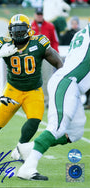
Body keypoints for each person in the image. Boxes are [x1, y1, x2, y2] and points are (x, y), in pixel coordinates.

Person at [0, 13, 63, 161]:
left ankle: (19, 148)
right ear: (10, 31)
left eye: (21, 29)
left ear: (28, 29)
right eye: (15, 30)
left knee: (35, 120)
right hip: (12, 90)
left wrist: (62, 80)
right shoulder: (5, 43)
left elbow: (59, 63)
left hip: (33, 91)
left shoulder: (39, 43)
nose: (19, 33)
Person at [17, 22, 90, 180]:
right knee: (57, 127)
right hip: (68, 82)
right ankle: (28, 167)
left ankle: (28, 148)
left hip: (71, 84)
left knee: (75, 133)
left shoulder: (82, 33)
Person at [31, 7, 59, 107]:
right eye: (38, 14)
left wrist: (55, 54)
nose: (39, 16)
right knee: (35, 78)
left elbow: (55, 41)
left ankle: (47, 101)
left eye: (41, 14)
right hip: (34, 56)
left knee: (47, 78)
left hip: (47, 55)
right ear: (35, 15)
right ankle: (36, 100)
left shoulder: (50, 26)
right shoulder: (30, 26)